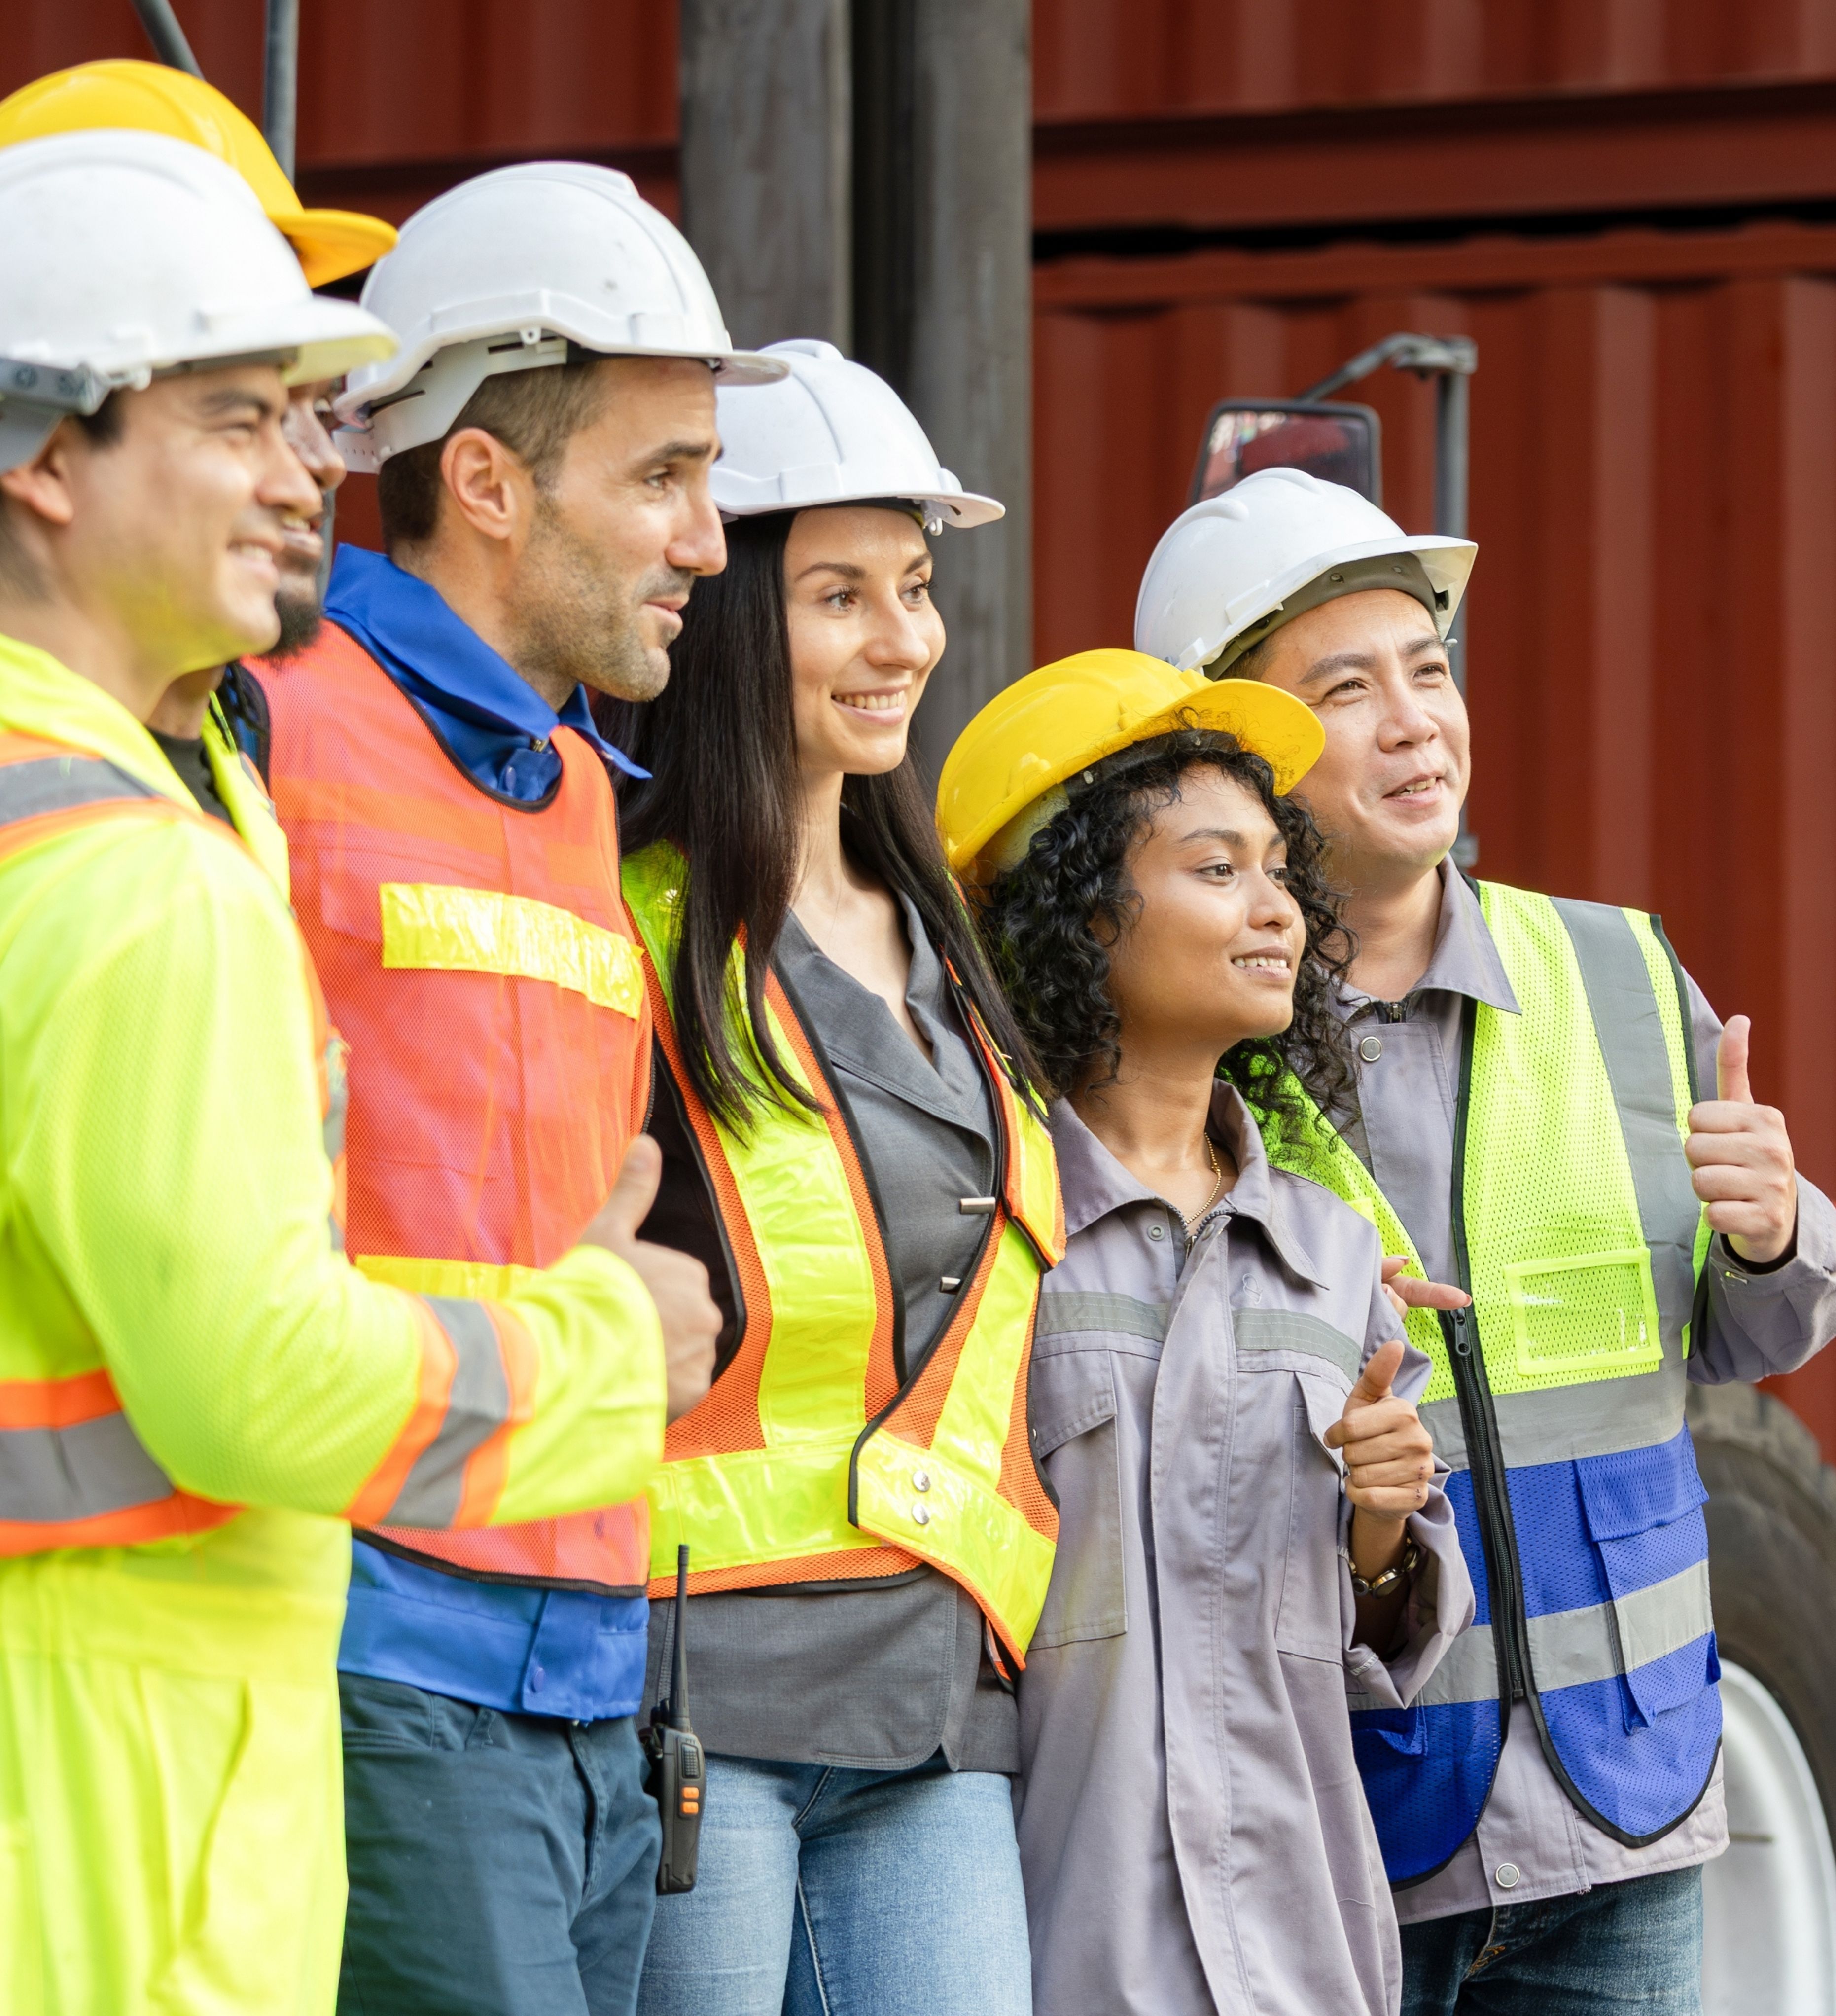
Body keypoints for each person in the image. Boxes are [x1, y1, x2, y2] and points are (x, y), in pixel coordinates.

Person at [0, 131, 716, 2016]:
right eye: (243, 415)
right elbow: (253, 1373)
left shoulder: (491, 784)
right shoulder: (163, 828)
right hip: (173, 1778)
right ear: (46, 455)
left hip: (395, 1688)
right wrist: (598, 1347)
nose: (309, 465)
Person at [1135, 466, 1836, 2015]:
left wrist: (1779, 1233)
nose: (1411, 721)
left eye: (1428, 673)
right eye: (1345, 689)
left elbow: (1742, 1333)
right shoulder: (1183, 1036)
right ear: (1233, 753)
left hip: (1624, 1805)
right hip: (1344, 1826)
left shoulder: (1612, 966)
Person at [247, 163, 779, 2016]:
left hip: (595, 1675)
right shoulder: (267, 719)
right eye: (663, 476)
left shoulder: (569, 789)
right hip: (379, 1652)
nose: (711, 541)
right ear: (483, 478)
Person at [603, 339, 1064, 2016]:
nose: (904, 642)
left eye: (919, 588)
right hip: (704, 1690)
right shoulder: (629, 926)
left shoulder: (944, 936)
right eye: (840, 597)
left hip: (940, 1688)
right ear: (733, 621)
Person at [937, 649, 1475, 2015]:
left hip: (1298, 1947)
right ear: (1077, 915)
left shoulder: (1333, 1256)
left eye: (1278, 874)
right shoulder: (991, 1226)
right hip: (1057, 1929)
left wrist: (1375, 1524)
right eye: (1214, 868)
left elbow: (1381, 1633)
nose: (1278, 912)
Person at [0, 58, 402, 867]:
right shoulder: (127, 846)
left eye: (313, 404)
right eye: (242, 412)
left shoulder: (231, 727)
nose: (318, 466)